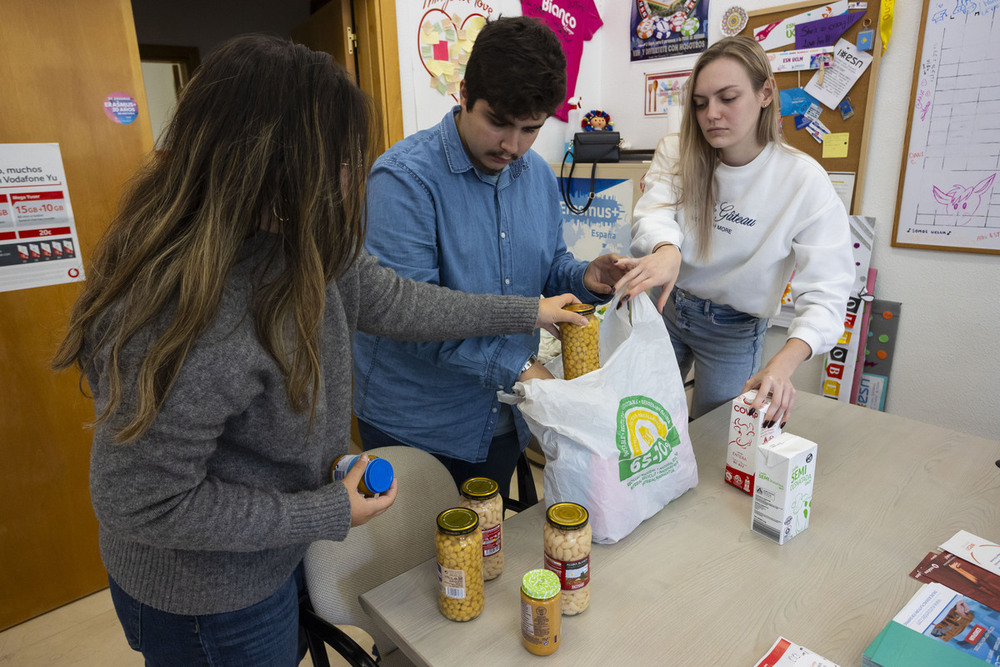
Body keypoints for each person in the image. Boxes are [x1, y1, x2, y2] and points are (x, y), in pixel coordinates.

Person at [51, 34, 588, 666]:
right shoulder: (190, 308)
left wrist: (529, 310)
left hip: (268, 552)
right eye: (335, 159)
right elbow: (143, 502)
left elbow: (397, 301)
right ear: (264, 164)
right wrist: (324, 511)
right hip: (206, 595)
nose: (350, 178)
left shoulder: (299, 235)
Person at [352, 16, 625, 499]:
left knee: (483, 554)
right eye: (497, 122)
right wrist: (520, 367)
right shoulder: (403, 180)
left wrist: (585, 276)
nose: (512, 145)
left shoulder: (536, 174)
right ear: (462, 93)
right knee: (417, 562)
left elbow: (546, 266)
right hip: (418, 421)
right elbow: (407, 318)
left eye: (530, 129)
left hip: (501, 414)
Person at [615, 35, 854, 427]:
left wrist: (783, 363)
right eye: (700, 103)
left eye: (728, 98)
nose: (712, 114)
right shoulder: (677, 151)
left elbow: (828, 291)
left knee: (715, 439)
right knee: (642, 422)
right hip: (668, 308)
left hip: (734, 332)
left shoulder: (802, 181)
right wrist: (666, 249)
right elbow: (654, 211)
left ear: (765, 93)